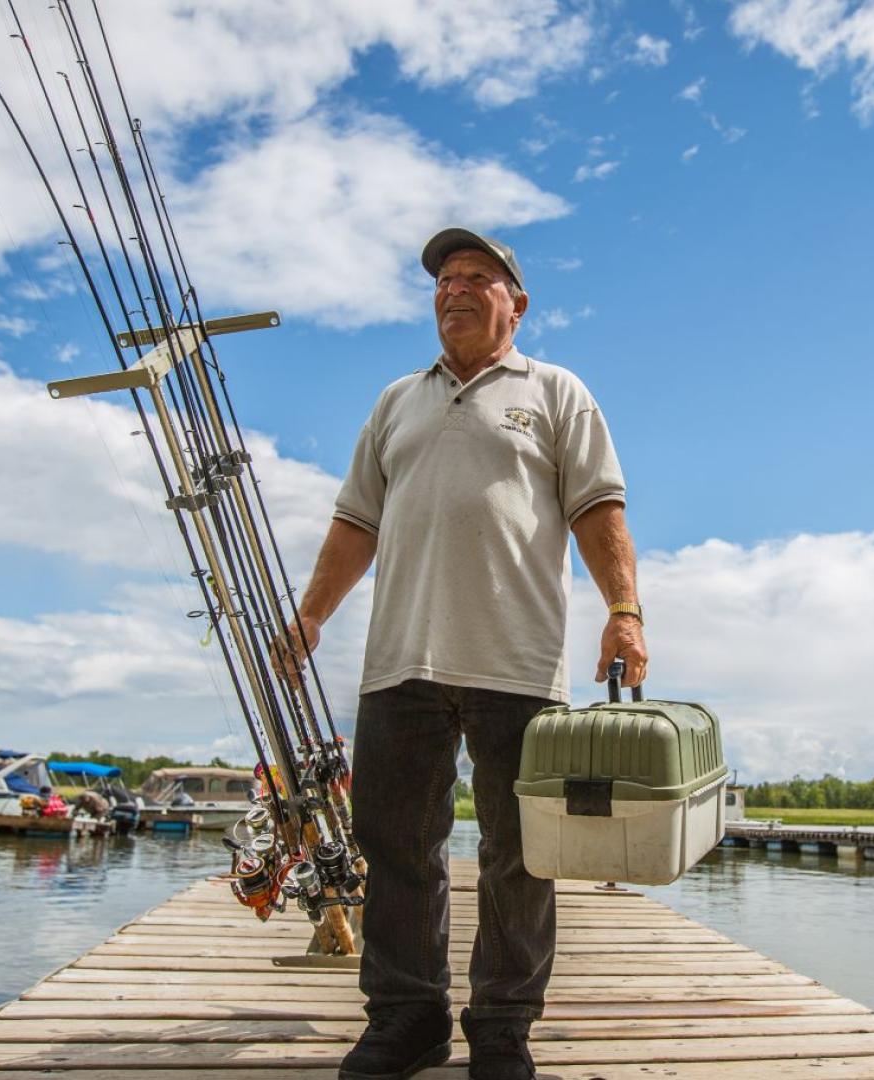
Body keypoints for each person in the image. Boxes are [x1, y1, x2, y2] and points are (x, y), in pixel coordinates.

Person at [276, 227, 647, 1080]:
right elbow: (354, 525)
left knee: (521, 852)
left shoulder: (556, 392)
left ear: (516, 302)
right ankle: (407, 1018)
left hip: (517, 660)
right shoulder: (397, 400)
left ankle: (503, 1028)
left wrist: (624, 611)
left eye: (479, 277)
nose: (456, 289)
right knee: (396, 845)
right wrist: (310, 616)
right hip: (398, 659)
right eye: (445, 278)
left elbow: (600, 511)